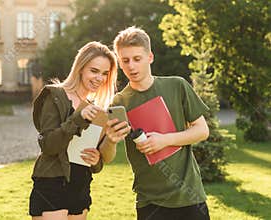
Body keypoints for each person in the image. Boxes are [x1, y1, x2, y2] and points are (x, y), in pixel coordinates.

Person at [100, 26, 210, 220]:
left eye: (137, 59)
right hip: (149, 202)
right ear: (120, 62)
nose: (131, 66)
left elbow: (202, 130)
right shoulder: (119, 103)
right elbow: (107, 157)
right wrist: (109, 139)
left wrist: (164, 140)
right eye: (125, 61)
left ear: (150, 57)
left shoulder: (177, 86)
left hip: (189, 196)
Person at [29, 41, 118, 220]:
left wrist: (96, 160)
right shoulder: (55, 96)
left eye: (104, 74)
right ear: (80, 68)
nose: (99, 78)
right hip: (52, 183)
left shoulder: (96, 109)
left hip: (80, 184)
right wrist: (78, 118)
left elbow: (96, 159)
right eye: (94, 71)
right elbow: (48, 145)